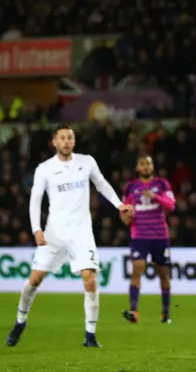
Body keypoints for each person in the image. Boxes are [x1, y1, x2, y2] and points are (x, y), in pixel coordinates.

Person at [6, 125, 133, 348]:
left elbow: (101, 184)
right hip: (53, 232)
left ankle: (90, 335)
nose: (66, 141)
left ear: (74, 142)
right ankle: (20, 321)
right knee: (34, 280)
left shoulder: (86, 162)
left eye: (70, 138)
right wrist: (37, 229)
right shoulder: (44, 169)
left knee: (90, 278)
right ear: (54, 142)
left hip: (82, 231)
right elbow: (35, 200)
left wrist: (119, 204)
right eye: (62, 138)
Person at [121, 156, 176, 324]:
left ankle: (165, 313)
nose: (145, 167)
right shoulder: (130, 187)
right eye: (142, 164)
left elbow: (171, 205)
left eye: (148, 164)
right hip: (140, 235)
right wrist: (127, 215)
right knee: (137, 269)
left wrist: (155, 196)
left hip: (160, 235)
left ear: (152, 167)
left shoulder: (162, 184)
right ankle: (134, 311)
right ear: (137, 168)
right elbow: (124, 214)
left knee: (163, 274)